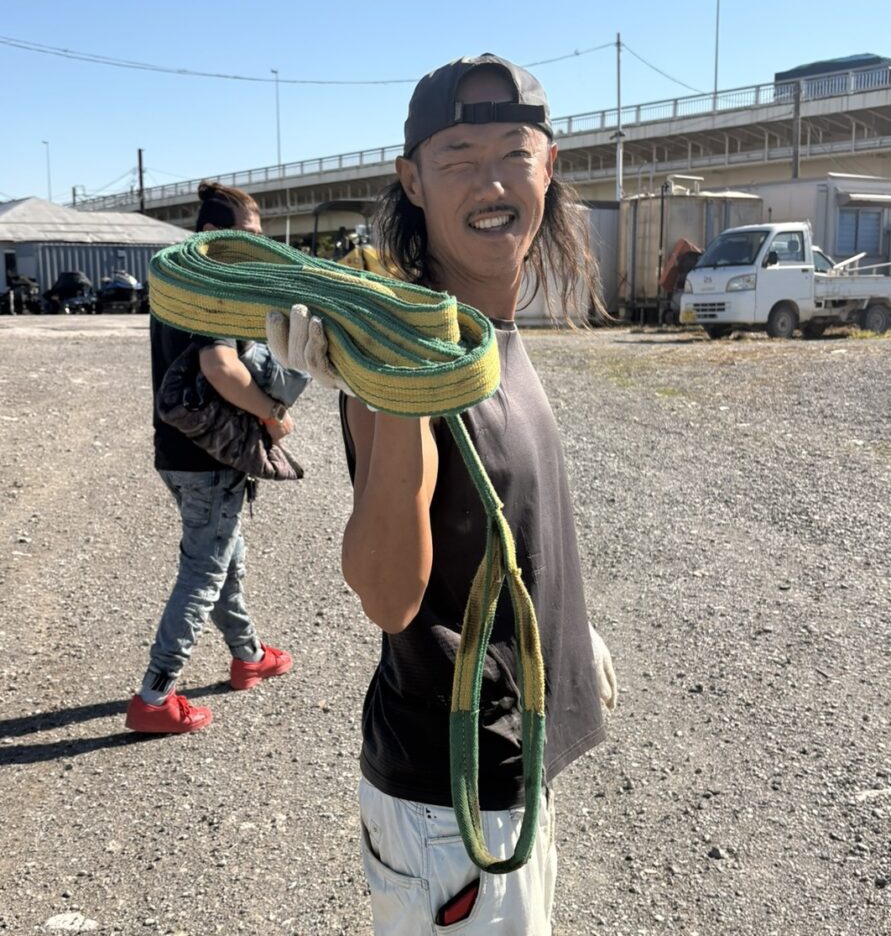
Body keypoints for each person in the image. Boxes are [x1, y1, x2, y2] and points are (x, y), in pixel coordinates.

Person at [268, 53, 617, 934]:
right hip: (453, 796)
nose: (491, 181)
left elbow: (507, 525)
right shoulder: (406, 354)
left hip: (508, 767)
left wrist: (572, 636)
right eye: (458, 156)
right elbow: (389, 597)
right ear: (412, 181)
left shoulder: (492, 332)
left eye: (513, 152)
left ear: (548, 167)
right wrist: (387, 392)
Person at [125, 181, 299, 735]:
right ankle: (154, 696)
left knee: (224, 557)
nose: (257, 245)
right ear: (210, 234)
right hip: (211, 454)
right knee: (204, 569)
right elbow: (220, 367)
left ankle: (249, 656)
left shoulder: (176, 281)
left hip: (176, 451)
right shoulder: (213, 285)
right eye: (248, 234)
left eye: (260, 235)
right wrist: (271, 414)